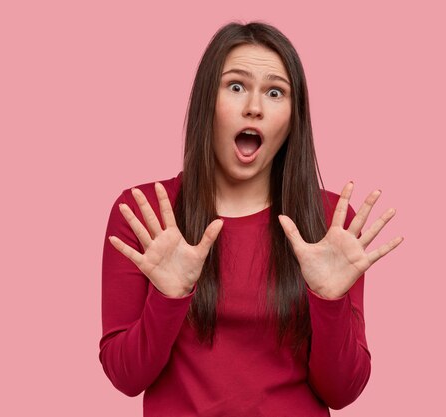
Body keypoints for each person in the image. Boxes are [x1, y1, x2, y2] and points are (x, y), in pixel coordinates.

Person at [98, 21, 403, 416]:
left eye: (275, 92)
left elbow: (341, 391)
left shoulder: (330, 222)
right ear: (208, 100)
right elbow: (126, 377)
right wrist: (168, 297)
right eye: (236, 86)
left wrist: (330, 300)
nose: (254, 107)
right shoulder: (147, 214)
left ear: (294, 118)